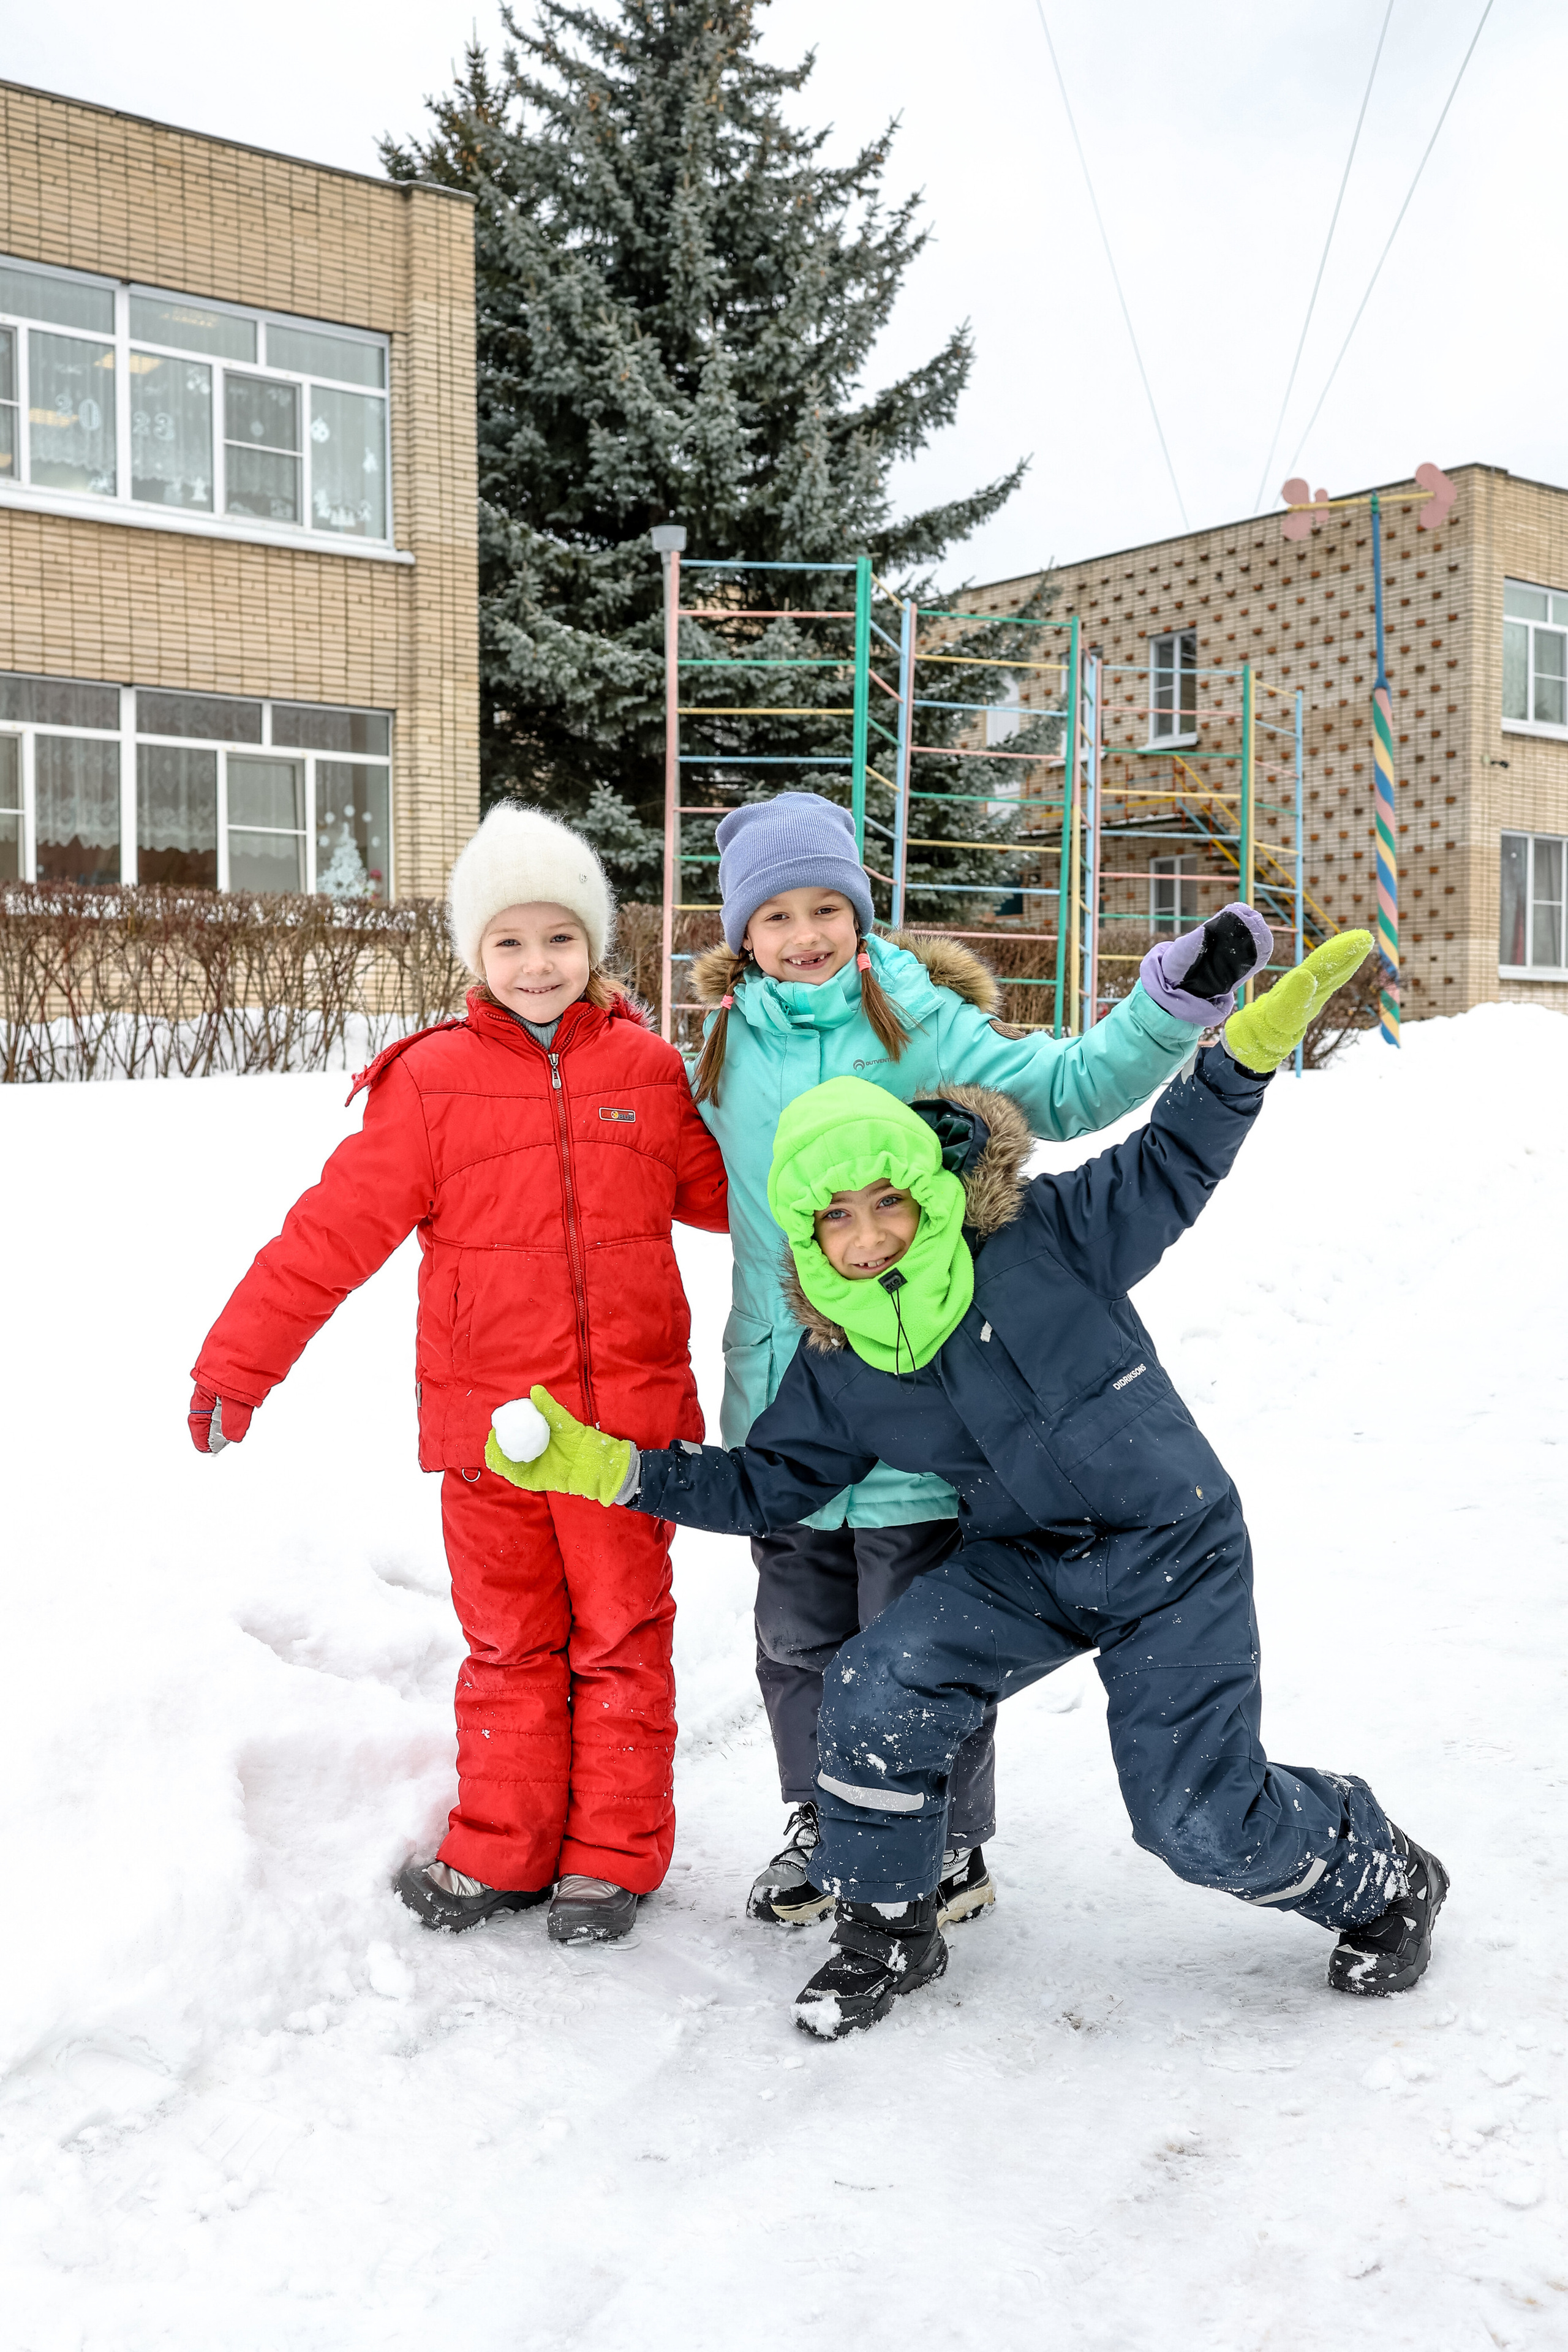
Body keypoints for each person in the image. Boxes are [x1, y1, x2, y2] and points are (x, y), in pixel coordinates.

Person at [486, 930, 1450, 2036]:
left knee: (1194, 1823)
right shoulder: (837, 1357)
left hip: (1171, 1546)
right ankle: (886, 1924)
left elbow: (1172, 1159)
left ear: (926, 1185)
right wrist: (612, 1468)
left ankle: (1381, 1874)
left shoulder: (1046, 1236)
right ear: (802, 1236)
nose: (864, 1236)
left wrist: (1239, 1061)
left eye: (883, 1200)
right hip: (1024, 1563)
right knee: (874, 1685)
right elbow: (770, 1485)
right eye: (830, 1218)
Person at [684, 788, 1275, 1931]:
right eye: (776, 917)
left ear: (861, 914)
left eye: (826, 908)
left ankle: (949, 1841)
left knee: (918, 1635)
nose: (805, 935)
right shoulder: (721, 1051)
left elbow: (1065, 1089)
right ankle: (823, 1819)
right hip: (786, 1401)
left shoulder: (919, 1023)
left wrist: (1172, 1004)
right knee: (799, 1639)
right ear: (741, 936)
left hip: (930, 1406)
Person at [189, 805, 728, 1947]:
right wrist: (242, 1362)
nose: (538, 965)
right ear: (475, 955)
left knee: (624, 1640)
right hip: (493, 1439)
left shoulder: (648, 1069)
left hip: (630, 1442)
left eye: (560, 939)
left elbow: (754, 1204)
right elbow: (326, 1236)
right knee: (511, 1646)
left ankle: (613, 1859)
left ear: (596, 944)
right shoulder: (428, 1084)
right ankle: (504, 1845)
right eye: (510, 943)